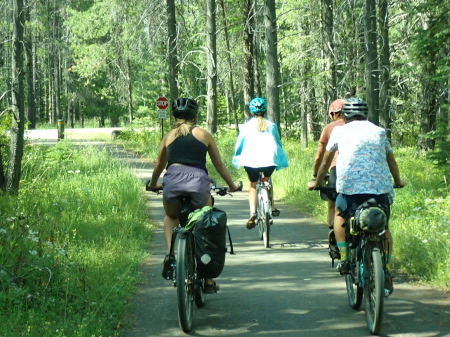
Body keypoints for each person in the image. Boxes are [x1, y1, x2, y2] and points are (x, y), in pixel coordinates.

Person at [307, 97, 406, 295]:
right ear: (366, 114)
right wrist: (398, 180)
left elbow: (326, 163)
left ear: (344, 115)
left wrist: (316, 182)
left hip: (350, 190)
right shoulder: (379, 131)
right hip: (380, 190)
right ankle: (384, 269)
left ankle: (344, 258)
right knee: (383, 226)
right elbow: (391, 162)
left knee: (340, 215)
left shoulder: (339, 131)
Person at [147, 97, 241, 293]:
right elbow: (219, 164)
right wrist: (231, 185)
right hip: (198, 185)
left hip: (172, 183)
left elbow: (159, 165)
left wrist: (154, 184)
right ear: (195, 115)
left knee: (170, 217)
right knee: (205, 223)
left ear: (174, 116)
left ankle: (171, 254)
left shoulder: (168, 136)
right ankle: (208, 281)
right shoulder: (203, 134)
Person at [232, 97, 288, 229]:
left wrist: (237, 157)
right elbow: (277, 144)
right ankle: (272, 207)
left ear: (251, 111)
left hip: (251, 161)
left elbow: (239, 145)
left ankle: (252, 213)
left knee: (253, 186)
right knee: (267, 180)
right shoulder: (272, 125)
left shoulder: (246, 127)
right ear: (265, 110)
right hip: (270, 160)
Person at [311, 99, 346, 257]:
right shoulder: (358, 126)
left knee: (334, 206)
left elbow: (320, 156)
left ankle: (333, 231)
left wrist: (315, 175)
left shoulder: (329, 128)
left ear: (332, 113)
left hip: (335, 169)